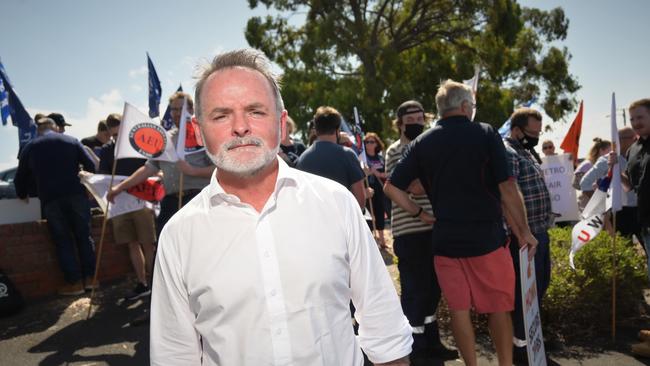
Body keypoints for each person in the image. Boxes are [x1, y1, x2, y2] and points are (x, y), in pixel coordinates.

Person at [150, 48, 412, 366]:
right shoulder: (179, 236)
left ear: (282, 123)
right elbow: (175, 355)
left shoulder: (336, 203)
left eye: (256, 111)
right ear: (199, 131)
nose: (241, 127)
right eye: (221, 115)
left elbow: (383, 324)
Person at [384, 80, 537, 366]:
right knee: (499, 309)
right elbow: (507, 188)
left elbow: (391, 188)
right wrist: (524, 231)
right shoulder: (486, 133)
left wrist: (420, 214)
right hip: (487, 239)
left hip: (445, 242)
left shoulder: (421, 142)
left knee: (458, 309)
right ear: (466, 106)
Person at [384, 100, 457, 362]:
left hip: (433, 229)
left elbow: (419, 183)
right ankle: (414, 350)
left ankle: (431, 343)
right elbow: (409, 187)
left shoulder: (428, 146)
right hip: (410, 230)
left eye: (420, 118)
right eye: (410, 118)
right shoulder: (395, 151)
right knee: (415, 292)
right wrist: (434, 183)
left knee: (433, 290)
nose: (416, 122)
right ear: (400, 121)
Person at [107, 91, 215, 238]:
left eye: (180, 109)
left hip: (198, 198)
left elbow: (220, 169)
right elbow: (148, 169)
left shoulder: (204, 135)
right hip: (171, 201)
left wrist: (193, 171)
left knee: (200, 245)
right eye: (173, 109)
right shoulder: (164, 138)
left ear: (191, 110)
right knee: (165, 245)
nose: (176, 113)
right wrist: (119, 188)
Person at [14, 117, 97, 296]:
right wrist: (89, 187)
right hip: (76, 195)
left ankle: (74, 283)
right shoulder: (72, 141)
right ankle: (91, 279)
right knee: (84, 236)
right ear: (56, 128)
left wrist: (22, 194)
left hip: (50, 199)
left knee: (62, 240)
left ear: (38, 130)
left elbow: (20, 176)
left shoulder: (30, 146)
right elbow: (90, 165)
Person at [503, 108, 553, 362]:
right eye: (531, 133)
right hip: (524, 239)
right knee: (525, 295)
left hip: (539, 233)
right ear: (516, 130)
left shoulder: (527, 152)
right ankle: (522, 350)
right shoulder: (508, 152)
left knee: (540, 287)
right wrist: (522, 232)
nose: (535, 137)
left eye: (538, 133)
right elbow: (507, 194)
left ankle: (534, 343)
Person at [98, 113, 157, 300]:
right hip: (121, 205)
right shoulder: (107, 150)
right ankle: (142, 283)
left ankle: (157, 284)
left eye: (120, 134)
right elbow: (103, 176)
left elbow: (153, 169)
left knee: (148, 243)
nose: (117, 139)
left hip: (143, 202)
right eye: (114, 136)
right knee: (132, 244)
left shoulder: (140, 146)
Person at [296, 106, 366, 209]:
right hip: (343, 221)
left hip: (315, 221)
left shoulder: (302, 159)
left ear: (316, 129)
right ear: (338, 130)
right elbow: (360, 197)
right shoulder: (348, 155)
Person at [581, 127, 641, 243]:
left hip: (642, 210)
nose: (636, 141)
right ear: (620, 140)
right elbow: (585, 183)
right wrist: (601, 203)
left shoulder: (640, 157)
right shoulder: (606, 161)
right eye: (633, 138)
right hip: (619, 213)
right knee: (623, 253)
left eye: (636, 138)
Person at [363, 132, 388, 247]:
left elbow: (387, 174)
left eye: (371, 141)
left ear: (376, 144)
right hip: (367, 189)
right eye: (367, 142)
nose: (369, 144)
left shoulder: (381, 158)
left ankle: (382, 240)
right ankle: (372, 241)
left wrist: (377, 173)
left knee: (379, 212)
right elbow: (361, 174)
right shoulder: (362, 159)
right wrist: (367, 172)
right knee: (369, 214)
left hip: (380, 189)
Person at [573, 138, 612, 211]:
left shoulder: (601, 164)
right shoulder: (587, 164)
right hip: (587, 202)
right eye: (609, 151)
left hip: (596, 202)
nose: (611, 153)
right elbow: (576, 184)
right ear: (601, 150)